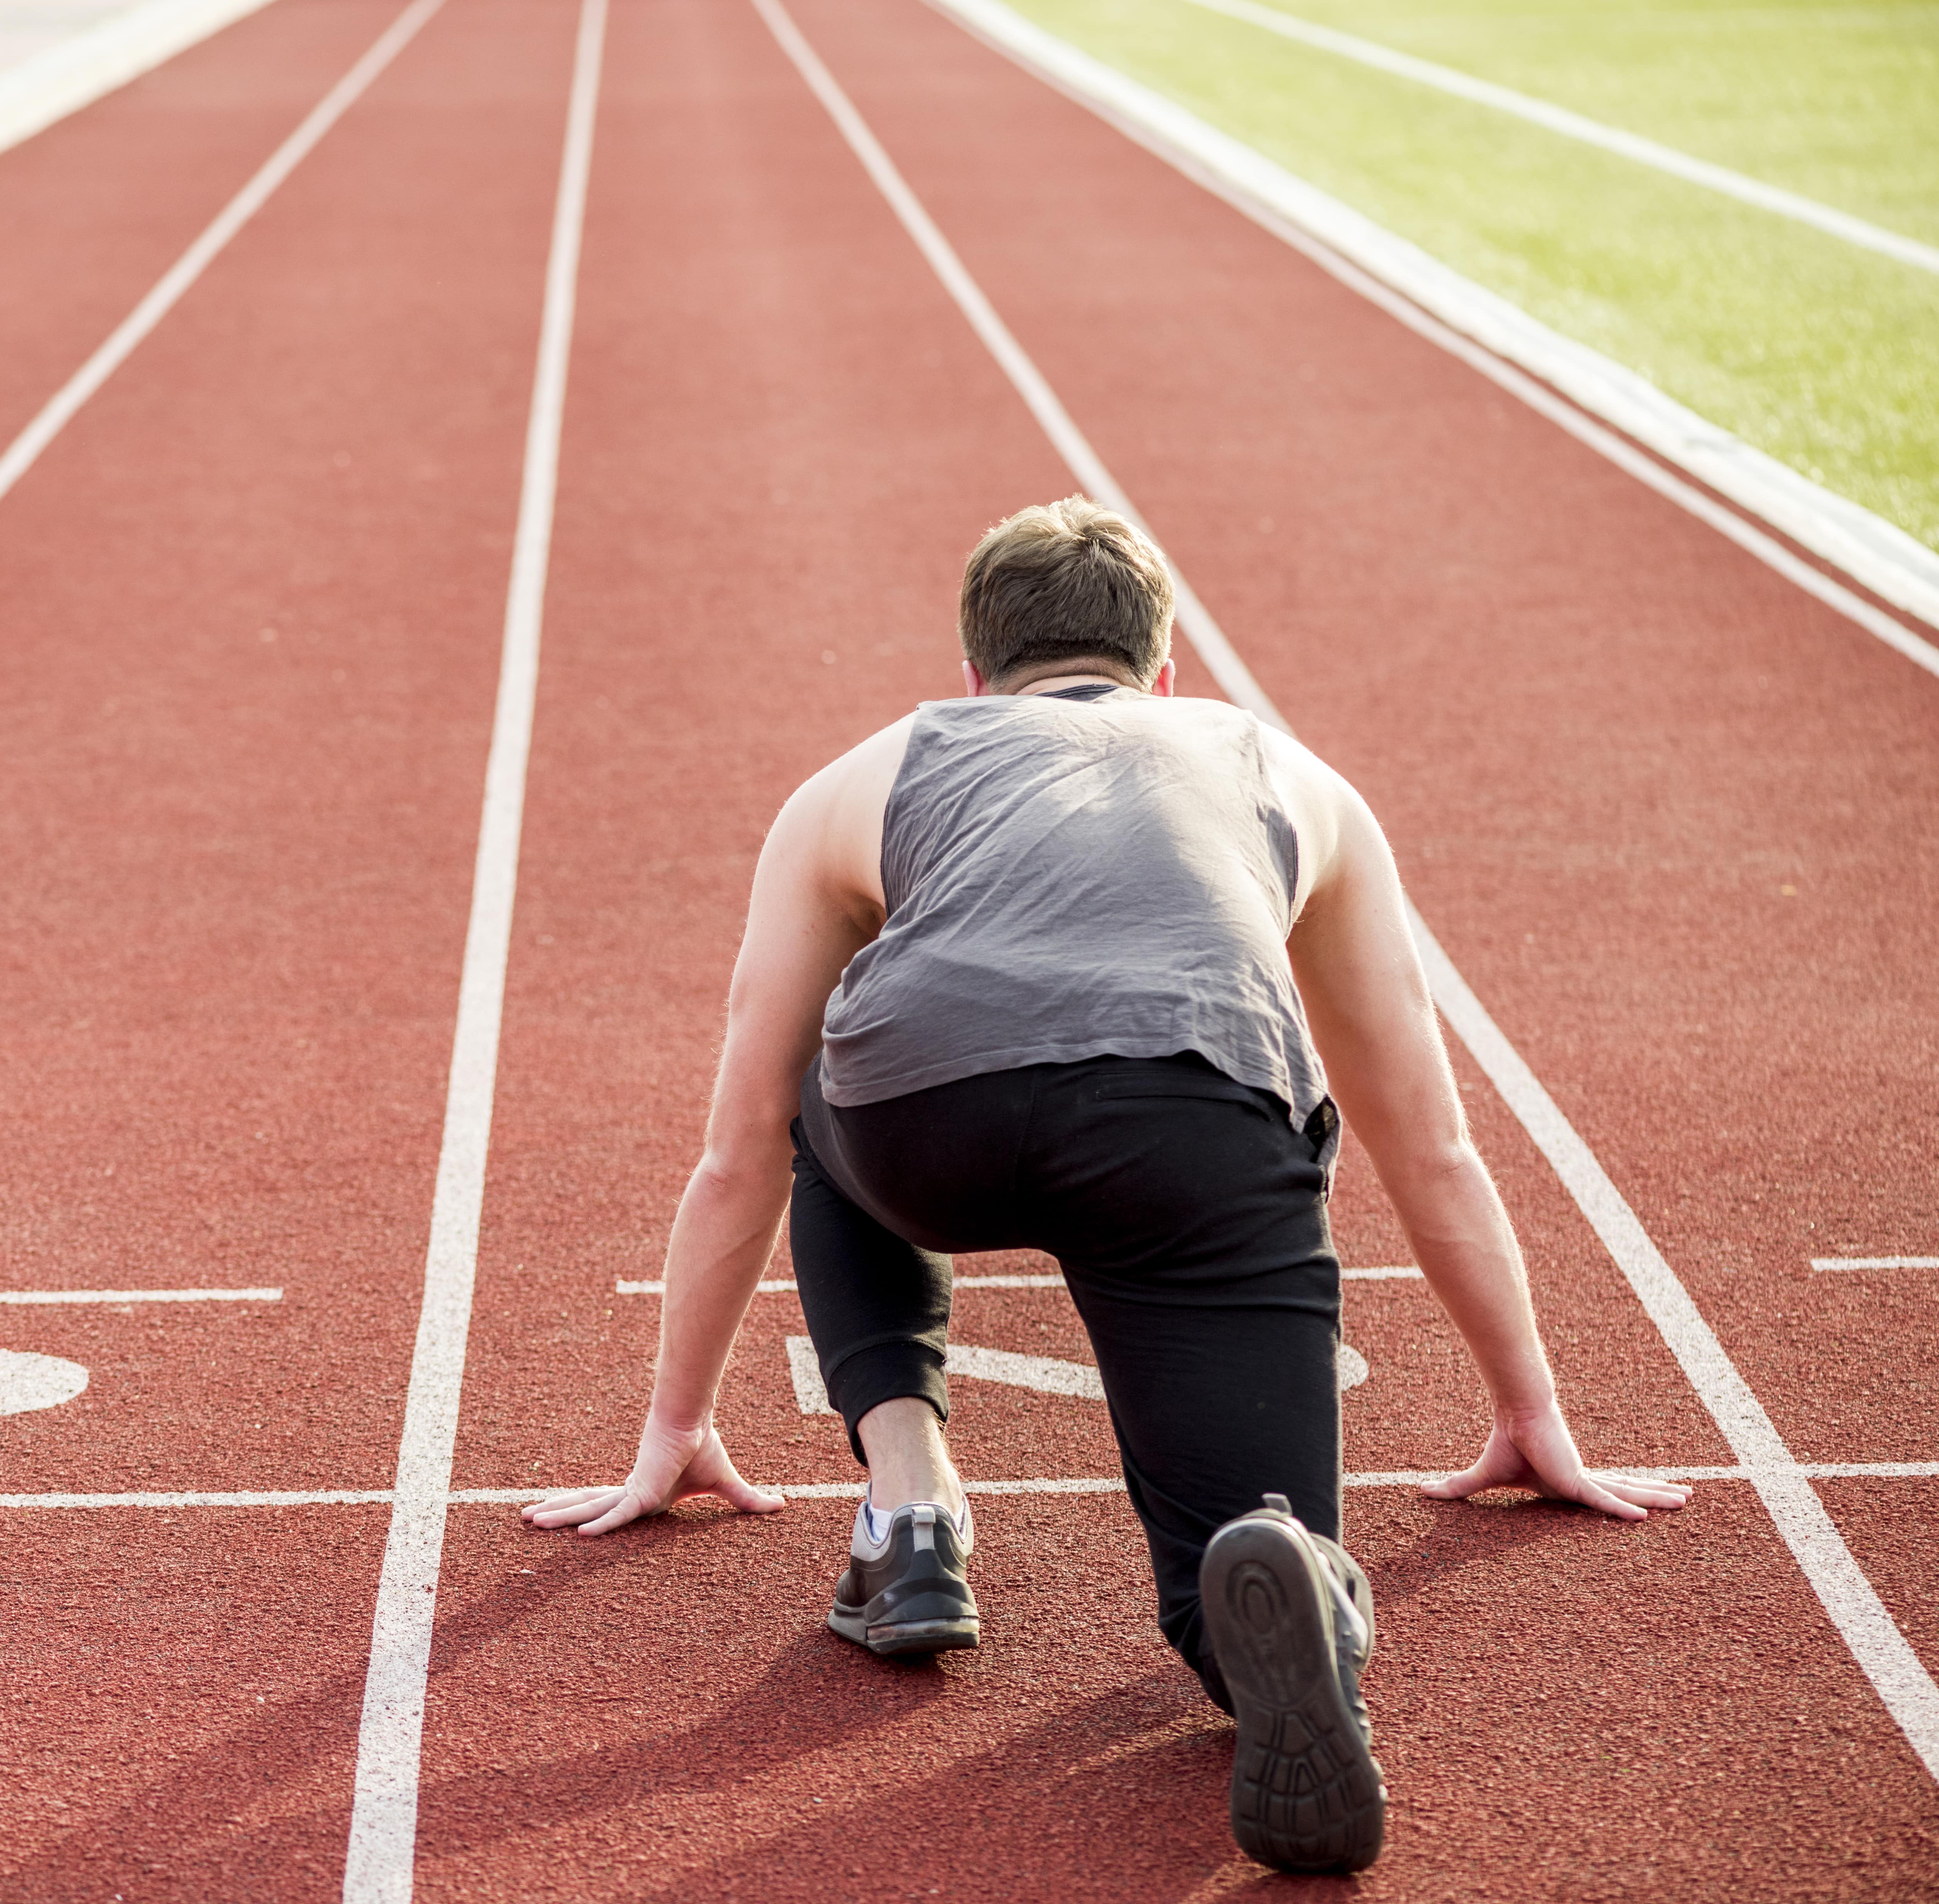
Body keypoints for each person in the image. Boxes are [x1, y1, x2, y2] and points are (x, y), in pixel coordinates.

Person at [520, 496, 1688, 1873]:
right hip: (1191, 1128)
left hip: (919, 1123)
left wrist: (676, 1425)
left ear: (972, 676)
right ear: (1167, 673)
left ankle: (912, 1509)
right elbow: (1428, 1143)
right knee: (1240, 1560)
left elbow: (735, 1147)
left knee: (814, 1090)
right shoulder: (1289, 773)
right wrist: (1528, 1408)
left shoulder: (868, 773)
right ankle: (1277, 1600)